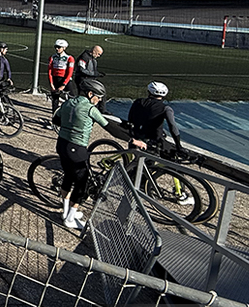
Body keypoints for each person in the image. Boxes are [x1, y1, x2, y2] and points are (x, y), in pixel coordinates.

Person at [53, 79, 146, 229]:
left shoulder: (68, 103)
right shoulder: (90, 109)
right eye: (99, 96)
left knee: (68, 177)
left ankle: (66, 212)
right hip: (77, 148)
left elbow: (56, 120)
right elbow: (111, 128)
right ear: (90, 94)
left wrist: (71, 124)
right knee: (81, 183)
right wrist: (133, 140)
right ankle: (70, 219)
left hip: (62, 144)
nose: (100, 100)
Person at [128, 81, 193, 205]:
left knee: (141, 165)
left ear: (148, 92)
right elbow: (173, 128)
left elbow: (130, 119)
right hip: (154, 142)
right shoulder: (165, 108)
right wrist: (179, 145)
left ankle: (138, 181)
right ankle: (180, 193)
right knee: (172, 160)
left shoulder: (137, 102)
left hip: (136, 139)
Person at [47, 39, 76, 122]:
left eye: (59, 47)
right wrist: (51, 84)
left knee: (72, 99)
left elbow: (70, 73)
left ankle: (72, 119)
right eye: (56, 47)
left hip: (66, 80)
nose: (57, 49)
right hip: (55, 80)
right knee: (55, 101)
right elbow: (49, 72)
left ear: (64, 48)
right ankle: (55, 120)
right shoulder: (52, 57)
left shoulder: (70, 58)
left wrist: (63, 85)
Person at [75, 45, 105, 112]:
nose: (99, 56)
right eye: (98, 54)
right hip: (83, 81)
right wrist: (95, 74)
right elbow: (81, 70)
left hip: (88, 80)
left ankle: (100, 109)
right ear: (94, 51)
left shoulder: (91, 58)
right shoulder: (84, 57)